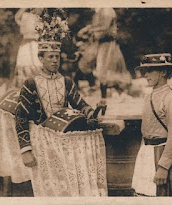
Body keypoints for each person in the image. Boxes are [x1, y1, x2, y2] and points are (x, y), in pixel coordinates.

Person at [15, 40, 107, 196]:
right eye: (50, 57)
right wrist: (26, 151)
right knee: (50, 189)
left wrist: (94, 112)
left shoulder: (66, 81)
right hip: (41, 142)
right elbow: (20, 117)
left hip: (64, 140)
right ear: (40, 58)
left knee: (69, 186)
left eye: (57, 57)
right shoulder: (30, 83)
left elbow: (80, 104)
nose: (54, 60)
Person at [131, 53, 172, 196]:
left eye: (150, 70)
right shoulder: (150, 96)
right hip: (147, 153)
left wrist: (163, 167)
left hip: (163, 156)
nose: (145, 75)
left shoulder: (170, 100)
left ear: (163, 72)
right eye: (144, 71)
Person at [76, 8, 132, 102]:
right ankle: (95, 89)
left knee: (106, 69)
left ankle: (108, 96)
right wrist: (88, 29)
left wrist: (89, 29)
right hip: (98, 43)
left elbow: (105, 27)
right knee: (85, 63)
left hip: (107, 44)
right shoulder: (98, 12)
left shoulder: (107, 10)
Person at [10, 8, 44, 88]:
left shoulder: (40, 20)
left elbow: (41, 33)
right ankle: (23, 85)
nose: (39, 10)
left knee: (36, 63)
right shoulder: (25, 16)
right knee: (24, 62)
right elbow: (17, 17)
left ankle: (37, 85)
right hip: (25, 43)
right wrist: (25, 7)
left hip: (35, 43)